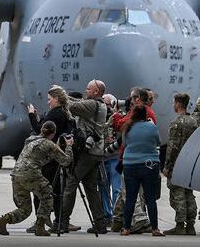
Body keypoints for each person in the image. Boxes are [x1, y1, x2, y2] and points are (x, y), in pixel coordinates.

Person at [0, 121, 74, 236]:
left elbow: (40, 157)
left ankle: (3, 220)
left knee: (25, 209)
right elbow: (66, 161)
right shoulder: (49, 144)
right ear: (53, 133)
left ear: (42, 130)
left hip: (16, 174)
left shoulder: (30, 140)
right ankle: (40, 227)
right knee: (47, 196)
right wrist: (69, 146)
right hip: (30, 174)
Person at [58, 79, 109, 234]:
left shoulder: (92, 105)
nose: (85, 90)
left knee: (70, 184)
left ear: (96, 92)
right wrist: (67, 95)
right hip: (96, 153)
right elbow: (79, 101)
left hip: (86, 153)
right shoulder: (99, 105)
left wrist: (60, 95)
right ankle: (100, 223)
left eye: (88, 89)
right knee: (91, 188)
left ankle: (62, 222)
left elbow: (72, 106)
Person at [24, 85, 72, 230]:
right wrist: (40, 118)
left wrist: (32, 115)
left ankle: (41, 221)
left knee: (40, 189)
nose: (48, 102)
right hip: (57, 155)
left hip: (46, 157)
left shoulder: (54, 114)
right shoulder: (65, 113)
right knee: (57, 190)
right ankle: (59, 221)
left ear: (56, 99)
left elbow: (40, 131)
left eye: (49, 99)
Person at [110, 87, 155, 233]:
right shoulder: (149, 115)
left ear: (137, 99)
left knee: (129, 191)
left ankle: (140, 219)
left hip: (132, 159)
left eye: (131, 98)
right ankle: (117, 219)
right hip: (145, 160)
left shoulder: (140, 113)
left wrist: (115, 113)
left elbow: (121, 125)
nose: (129, 101)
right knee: (127, 191)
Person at [120, 105, 163, 236]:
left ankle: (126, 228)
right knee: (150, 197)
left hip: (130, 165)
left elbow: (124, 143)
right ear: (145, 114)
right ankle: (155, 229)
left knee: (131, 198)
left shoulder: (127, 127)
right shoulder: (152, 127)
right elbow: (159, 142)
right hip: (149, 165)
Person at [162, 92, 197, 235]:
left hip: (177, 164)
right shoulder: (193, 121)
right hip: (190, 163)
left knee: (177, 193)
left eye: (174, 102)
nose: (173, 105)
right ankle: (190, 225)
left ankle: (179, 225)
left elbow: (173, 146)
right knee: (189, 192)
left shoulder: (177, 122)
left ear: (178, 103)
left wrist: (167, 166)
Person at [101, 93, 121, 222]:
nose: (106, 108)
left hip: (115, 157)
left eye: (109, 104)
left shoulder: (119, 118)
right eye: (104, 104)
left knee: (116, 188)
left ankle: (117, 214)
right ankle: (106, 214)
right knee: (103, 187)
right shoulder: (98, 119)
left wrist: (116, 117)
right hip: (102, 158)